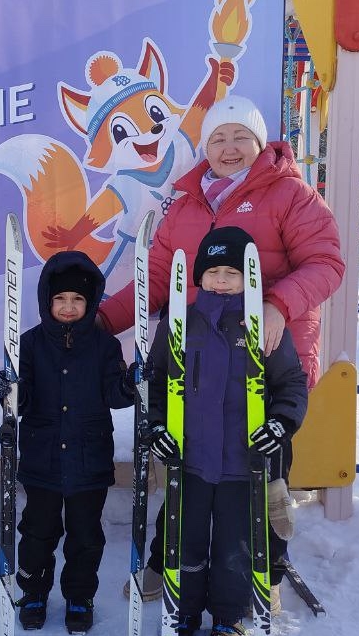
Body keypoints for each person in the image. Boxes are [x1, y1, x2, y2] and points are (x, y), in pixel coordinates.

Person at [100, 96, 344, 602]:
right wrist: (101, 322)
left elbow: (325, 262)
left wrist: (276, 305)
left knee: (264, 473)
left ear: (259, 142)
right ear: (205, 146)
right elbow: (157, 278)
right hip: (200, 362)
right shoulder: (187, 202)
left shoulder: (290, 193)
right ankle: (168, 562)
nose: (229, 148)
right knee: (189, 470)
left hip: (266, 355)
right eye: (218, 138)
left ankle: (265, 572)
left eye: (240, 137)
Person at [144, 227, 309, 636]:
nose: (221, 280)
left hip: (242, 463)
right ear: (198, 276)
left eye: (232, 273)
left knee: (235, 546)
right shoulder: (179, 324)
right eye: (213, 271)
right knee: (186, 542)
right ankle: (183, 611)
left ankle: (227, 615)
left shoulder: (263, 325)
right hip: (191, 462)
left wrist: (281, 423)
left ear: (247, 278)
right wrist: (156, 427)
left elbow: (291, 383)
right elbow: (156, 383)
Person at [0, 252, 137, 635]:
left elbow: (114, 395)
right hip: (42, 460)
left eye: (77, 299)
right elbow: (21, 403)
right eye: (60, 298)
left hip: (89, 460)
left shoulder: (105, 346)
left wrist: (130, 383)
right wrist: (10, 391)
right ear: (47, 300)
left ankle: (79, 595)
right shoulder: (28, 345)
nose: (68, 306)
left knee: (85, 536)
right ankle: (33, 593)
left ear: (90, 302)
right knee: (37, 532)